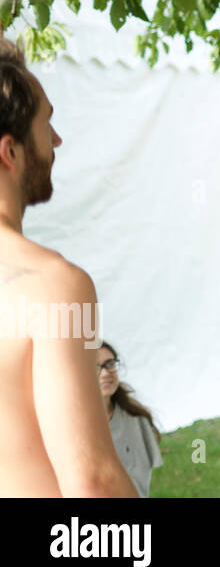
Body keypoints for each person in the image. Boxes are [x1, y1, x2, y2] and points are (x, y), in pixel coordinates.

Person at [0, 38, 137, 497]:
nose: (57, 140)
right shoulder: (57, 287)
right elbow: (91, 480)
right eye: (47, 123)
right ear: (10, 153)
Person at [99, 342, 164, 497]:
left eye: (110, 364)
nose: (105, 373)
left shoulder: (135, 419)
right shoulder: (65, 427)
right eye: (94, 366)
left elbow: (141, 482)